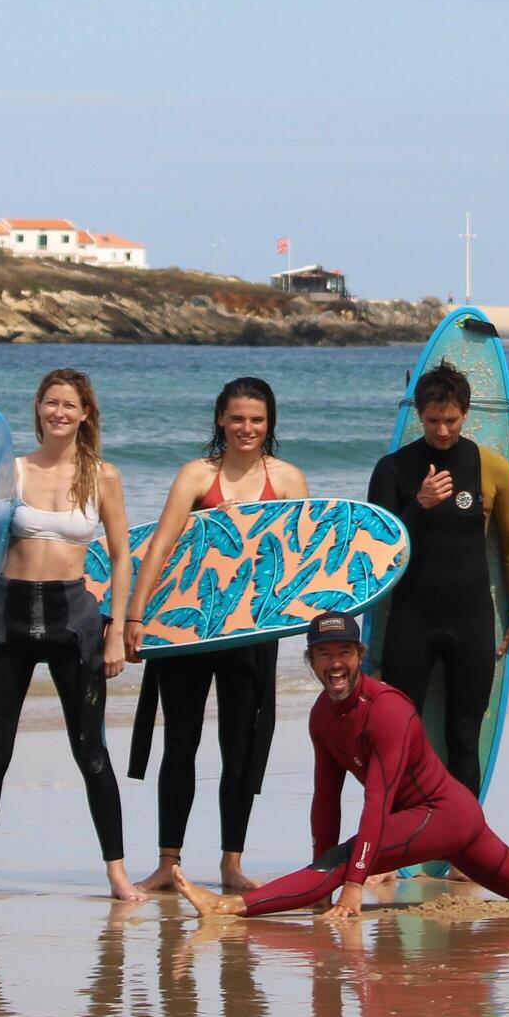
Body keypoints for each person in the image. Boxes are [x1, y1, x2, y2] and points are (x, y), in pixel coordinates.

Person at [175, 612, 509, 919]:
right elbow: (325, 800)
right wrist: (324, 886)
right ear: (311, 661)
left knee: (343, 860)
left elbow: (378, 801)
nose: (334, 663)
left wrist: (351, 883)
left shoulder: (388, 710)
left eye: (344, 652)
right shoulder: (322, 716)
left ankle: (233, 909)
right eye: (323, 655)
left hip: (441, 813)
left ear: (360, 657)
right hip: (445, 820)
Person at [0, 368, 142, 903]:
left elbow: (123, 556)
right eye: (50, 403)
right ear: (37, 409)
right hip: (6, 617)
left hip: (73, 618)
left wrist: (116, 630)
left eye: (69, 405)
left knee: (92, 754)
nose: (59, 412)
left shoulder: (102, 477)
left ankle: (117, 872)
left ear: (85, 414)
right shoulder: (8, 471)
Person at [131, 377, 306, 895]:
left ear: (269, 423)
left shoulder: (289, 480)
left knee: (240, 744)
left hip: (252, 630)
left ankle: (231, 863)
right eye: (237, 418)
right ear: (220, 421)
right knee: (180, 741)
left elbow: (301, 560)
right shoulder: (195, 476)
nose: (246, 428)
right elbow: (160, 546)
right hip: (186, 626)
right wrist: (135, 620)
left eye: (256, 419)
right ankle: (169, 861)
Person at [365, 361, 509, 802]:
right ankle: (394, 837)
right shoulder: (394, 470)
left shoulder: (492, 469)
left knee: (464, 735)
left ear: (467, 412)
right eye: (433, 420)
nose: (442, 430)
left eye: (451, 420)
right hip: (411, 619)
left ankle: (463, 848)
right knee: (398, 735)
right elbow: (376, 552)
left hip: (471, 619)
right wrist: (419, 504)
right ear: (419, 414)